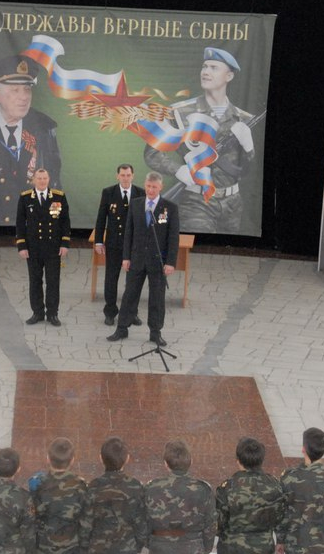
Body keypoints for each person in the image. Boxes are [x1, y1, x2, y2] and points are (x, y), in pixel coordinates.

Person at [144, 47, 256, 233]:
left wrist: (248, 146)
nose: (206, 72)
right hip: (197, 201)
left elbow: (246, 170)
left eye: (213, 67)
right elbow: (152, 153)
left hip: (233, 205)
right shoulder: (179, 112)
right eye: (204, 67)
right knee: (198, 244)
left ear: (229, 76)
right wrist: (178, 169)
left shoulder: (242, 118)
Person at [0, 54, 62, 226]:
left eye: (27, 89)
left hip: (29, 224)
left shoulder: (44, 128)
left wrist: (53, 218)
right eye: (15, 90)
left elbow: (54, 184)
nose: (24, 97)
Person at [106, 172, 179, 347]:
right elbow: (129, 232)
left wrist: (170, 262)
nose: (151, 190)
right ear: (145, 186)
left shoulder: (169, 207)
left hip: (158, 261)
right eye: (148, 186)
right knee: (129, 295)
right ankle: (122, 328)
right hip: (137, 259)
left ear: (161, 187)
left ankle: (155, 332)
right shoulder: (136, 204)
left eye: (154, 187)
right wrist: (126, 257)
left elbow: (173, 237)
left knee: (157, 298)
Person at [16, 168, 71, 327]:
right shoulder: (26, 197)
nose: (42, 181)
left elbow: (65, 221)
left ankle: (52, 313)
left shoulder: (58, 196)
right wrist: (22, 246)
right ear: (34, 179)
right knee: (35, 281)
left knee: (53, 282)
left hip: (53, 247)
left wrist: (65, 243)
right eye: (39, 178)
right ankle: (37, 312)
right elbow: (20, 223)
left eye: (44, 178)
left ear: (49, 179)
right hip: (33, 247)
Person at [93, 164, 140, 327]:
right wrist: (99, 241)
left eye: (128, 175)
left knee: (133, 281)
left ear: (133, 176)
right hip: (114, 243)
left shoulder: (140, 193)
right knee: (111, 279)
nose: (125, 178)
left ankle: (131, 313)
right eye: (122, 175)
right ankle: (110, 312)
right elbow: (101, 218)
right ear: (117, 176)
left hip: (133, 245)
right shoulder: (109, 192)